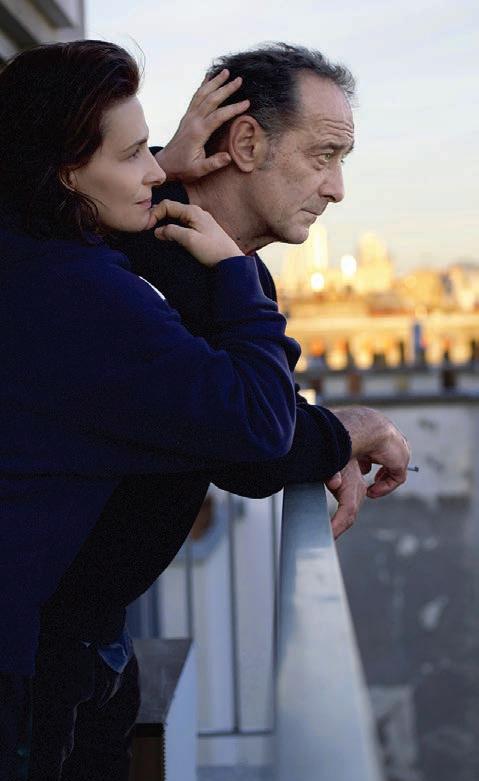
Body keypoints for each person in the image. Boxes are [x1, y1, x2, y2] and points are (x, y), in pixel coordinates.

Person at [0, 40, 306, 781]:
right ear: (66, 172)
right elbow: (258, 427)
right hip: (25, 667)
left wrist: (158, 165)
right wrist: (234, 270)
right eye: (133, 152)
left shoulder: (31, 255)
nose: (155, 171)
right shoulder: (79, 295)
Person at [118, 42, 412, 532]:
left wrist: (327, 441)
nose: (337, 189)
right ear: (248, 144)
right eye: (324, 156)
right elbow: (257, 449)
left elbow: (274, 413)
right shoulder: (136, 250)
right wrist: (358, 429)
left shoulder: (243, 271)